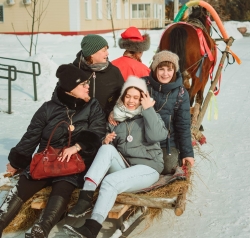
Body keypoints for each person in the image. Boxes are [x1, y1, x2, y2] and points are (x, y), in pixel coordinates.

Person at [0, 64, 106, 238]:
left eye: (87, 83)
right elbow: (30, 138)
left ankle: (41, 230)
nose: (88, 87)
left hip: (74, 163)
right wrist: (15, 162)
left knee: (63, 186)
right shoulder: (48, 109)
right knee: (25, 183)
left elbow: (98, 131)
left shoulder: (92, 106)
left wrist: (78, 146)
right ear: (70, 89)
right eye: (83, 84)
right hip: (46, 161)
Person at [63, 76, 168, 238]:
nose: (131, 101)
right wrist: (106, 141)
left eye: (136, 97)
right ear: (122, 97)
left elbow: (158, 136)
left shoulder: (149, 115)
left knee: (109, 182)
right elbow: (110, 153)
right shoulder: (115, 119)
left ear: (142, 98)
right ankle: (85, 198)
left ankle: (91, 228)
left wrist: (148, 110)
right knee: (105, 149)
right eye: (128, 96)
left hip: (148, 168)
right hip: (127, 167)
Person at [143, 50, 195, 174]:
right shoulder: (143, 85)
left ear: (175, 71)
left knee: (168, 168)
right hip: (143, 141)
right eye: (161, 69)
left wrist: (187, 153)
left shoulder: (180, 93)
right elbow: (125, 101)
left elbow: (183, 125)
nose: (165, 74)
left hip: (167, 143)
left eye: (169, 69)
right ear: (155, 69)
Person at [72, 34, 124, 117]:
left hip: (105, 123)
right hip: (78, 124)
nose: (107, 53)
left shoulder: (114, 71)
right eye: (104, 50)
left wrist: (114, 112)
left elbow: (123, 96)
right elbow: (59, 98)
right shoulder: (73, 71)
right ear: (92, 53)